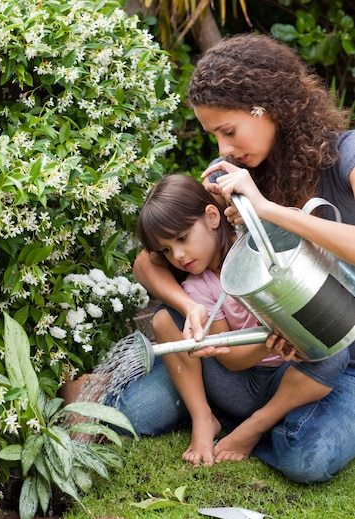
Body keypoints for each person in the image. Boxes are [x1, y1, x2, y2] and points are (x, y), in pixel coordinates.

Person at [61, 32, 355, 484]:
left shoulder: (346, 158)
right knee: (136, 414)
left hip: (336, 352)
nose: (222, 148)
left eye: (228, 130)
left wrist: (271, 212)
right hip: (253, 360)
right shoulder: (248, 175)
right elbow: (148, 263)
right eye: (213, 134)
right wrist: (190, 307)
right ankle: (217, 407)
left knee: (308, 457)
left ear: (267, 106)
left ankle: (256, 419)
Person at [136, 173, 348, 468]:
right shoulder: (199, 286)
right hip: (237, 386)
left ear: (212, 217)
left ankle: (255, 426)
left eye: (182, 238)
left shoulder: (258, 245)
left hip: (285, 381)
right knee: (162, 320)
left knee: (334, 356)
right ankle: (203, 419)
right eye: (167, 250)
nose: (179, 255)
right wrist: (267, 346)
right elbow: (232, 361)